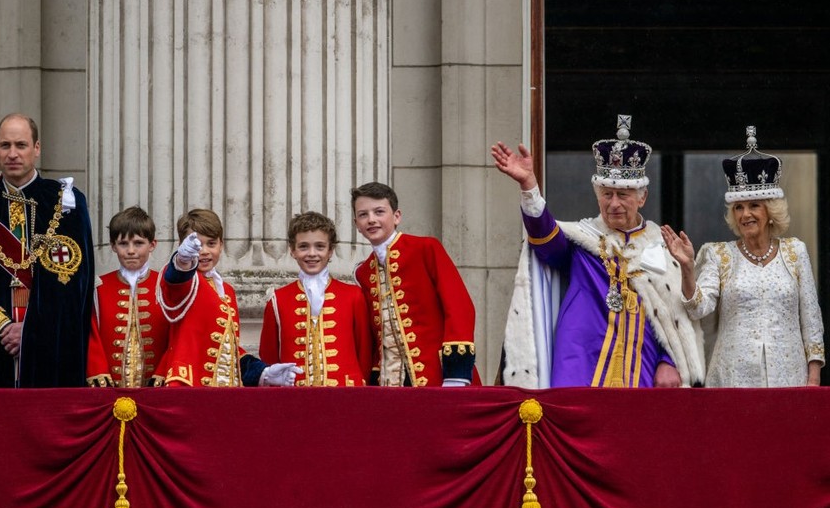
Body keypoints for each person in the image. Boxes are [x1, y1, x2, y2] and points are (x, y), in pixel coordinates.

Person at [491, 114, 704, 388]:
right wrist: (529, 187)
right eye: (606, 194)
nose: (614, 203)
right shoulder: (582, 239)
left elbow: (674, 315)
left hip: (644, 365)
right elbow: (546, 243)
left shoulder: (662, 247)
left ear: (642, 198)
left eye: (623, 195)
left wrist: (670, 361)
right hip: (580, 359)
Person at [661, 126, 824, 387]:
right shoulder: (718, 254)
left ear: (770, 210)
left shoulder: (795, 251)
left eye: (753, 206)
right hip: (732, 379)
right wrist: (687, 268)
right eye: (738, 207)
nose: (745, 214)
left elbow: (811, 319)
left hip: (789, 378)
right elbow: (698, 308)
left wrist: (813, 377)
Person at [0, 113, 94, 387]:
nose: (12, 154)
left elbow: (74, 284)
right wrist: (2, 327)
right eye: (5, 145)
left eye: (21, 145)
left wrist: (31, 331)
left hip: (50, 345)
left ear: (37, 148)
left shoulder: (67, 203)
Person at [351, 182, 480, 387]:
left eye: (379, 212)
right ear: (357, 224)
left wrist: (456, 373)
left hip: (439, 376)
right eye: (363, 214)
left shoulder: (426, 248)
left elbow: (460, 307)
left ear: (396, 216)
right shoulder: (364, 272)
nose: (371, 220)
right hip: (390, 383)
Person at [156, 208, 301, 387]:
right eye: (197, 245)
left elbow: (231, 351)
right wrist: (183, 260)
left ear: (221, 245)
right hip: (188, 387)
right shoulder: (187, 280)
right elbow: (175, 279)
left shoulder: (227, 290)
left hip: (224, 391)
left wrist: (262, 372)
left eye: (211, 243)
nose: (204, 251)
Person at [259, 211, 372, 386]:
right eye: (303, 246)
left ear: (331, 250)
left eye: (320, 246)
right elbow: (269, 355)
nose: (312, 253)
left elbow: (364, 351)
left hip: (347, 394)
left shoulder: (353, 295)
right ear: (292, 250)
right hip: (295, 398)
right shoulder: (277, 299)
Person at [86, 206, 170, 387]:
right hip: (109, 388)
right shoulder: (98, 286)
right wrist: (98, 372)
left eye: (138, 243)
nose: (131, 250)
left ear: (152, 245)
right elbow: (90, 333)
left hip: (157, 389)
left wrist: (163, 373)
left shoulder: (165, 285)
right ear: (113, 246)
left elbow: (177, 336)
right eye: (123, 243)